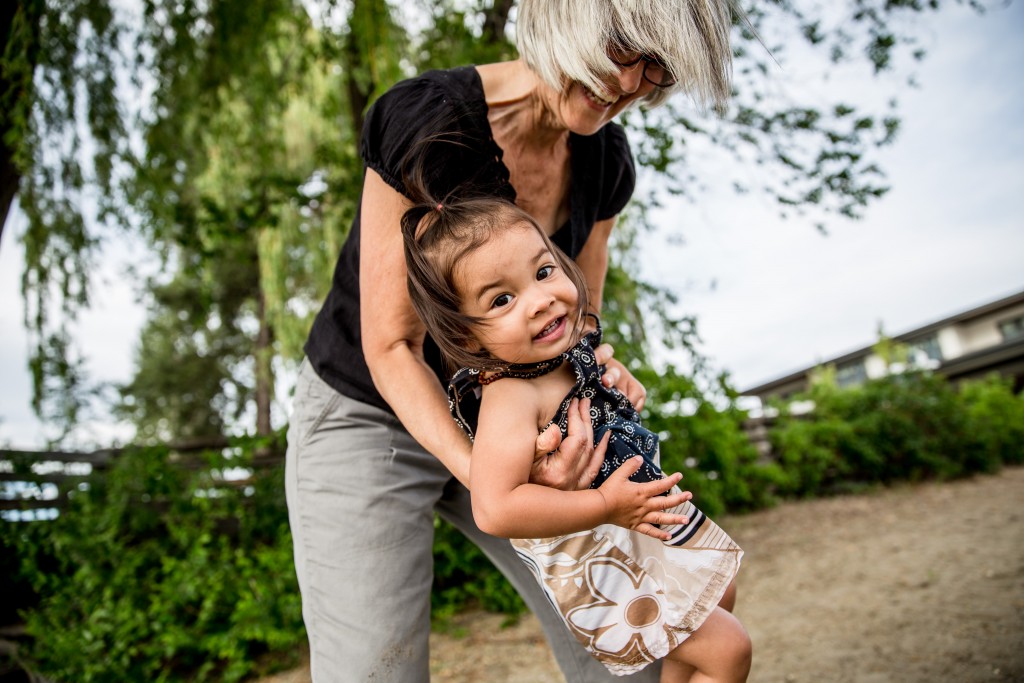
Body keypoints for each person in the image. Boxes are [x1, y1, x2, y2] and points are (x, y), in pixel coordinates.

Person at [285, 0, 738, 680]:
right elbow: (392, 347)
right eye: (623, 47)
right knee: (372, 669)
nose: (634, 81)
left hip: (524, 430)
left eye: (659, 66)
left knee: (637, 643)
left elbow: (581, 321)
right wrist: (503, 478)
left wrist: (595, 376)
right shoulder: (427, 122)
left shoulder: (606, 164)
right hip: (369, 411)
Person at [401, 189, 750, 681]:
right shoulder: (510, 395)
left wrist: (619, 382)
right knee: (728, 648)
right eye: (502, 299)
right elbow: (494, 507)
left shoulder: (567, 354)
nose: (541, 300)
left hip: (639, 526)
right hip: (601, 553)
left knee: (721, 597)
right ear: (466, 336)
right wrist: (604, 506)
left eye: (544, 272)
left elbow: (604, 397)